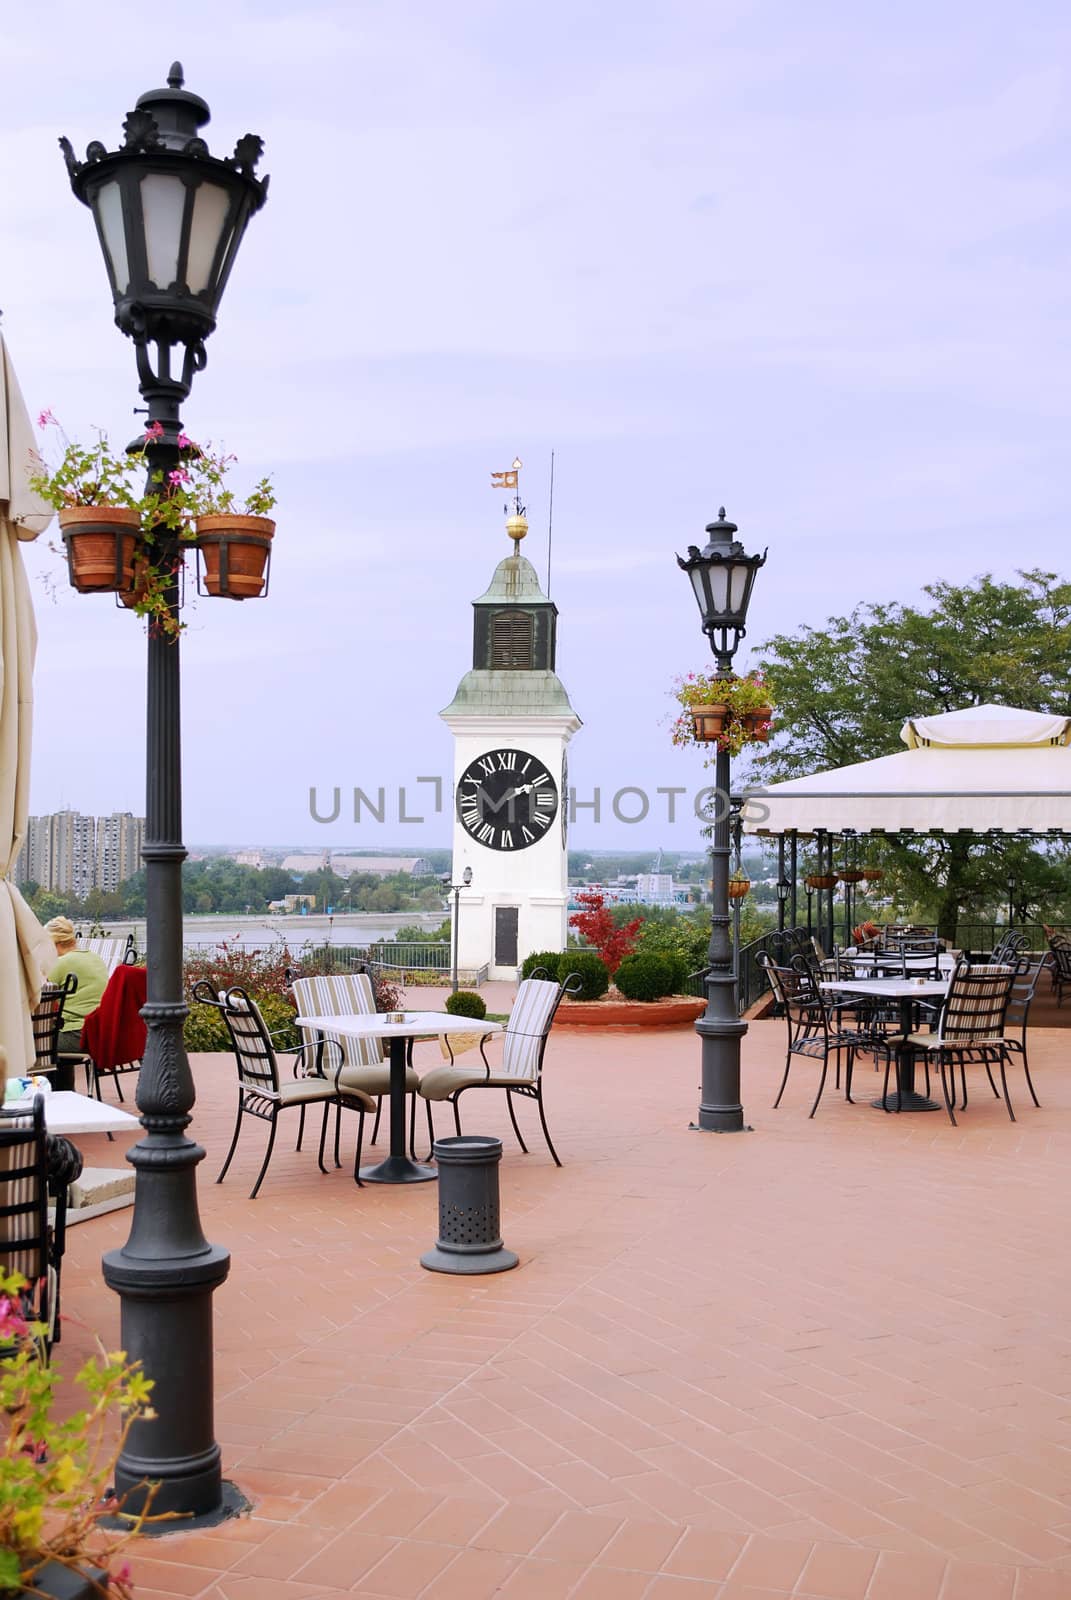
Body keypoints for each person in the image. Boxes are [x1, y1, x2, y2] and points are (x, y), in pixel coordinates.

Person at [43, 917, 109, 1059]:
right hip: (102, 1034)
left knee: (31, 1043)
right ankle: (63, 1082)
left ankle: (39, 1081)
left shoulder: (59, 963)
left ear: (53, 942)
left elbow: (40, 997)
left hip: (78, 1036)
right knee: (58, 1030)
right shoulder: (95, 957)